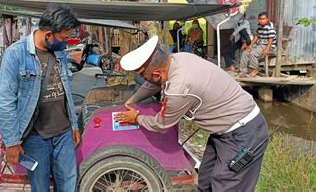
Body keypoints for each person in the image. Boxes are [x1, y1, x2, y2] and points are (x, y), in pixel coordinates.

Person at [115, 35, 269, 192]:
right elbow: (155, 83)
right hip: (223, 131)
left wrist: (137, 118)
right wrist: (133, 100)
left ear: (157, 74)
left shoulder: (179, 89)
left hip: (244, 133)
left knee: (226, 184)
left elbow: (162, 123)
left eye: (143, 75)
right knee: (206, 179)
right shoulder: (177, 59)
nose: (144, 79)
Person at [0, 4, 81, 192]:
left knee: (69, 183)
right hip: (35, 138)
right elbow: (5, 101)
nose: (65, 44)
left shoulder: (58, 52)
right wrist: (11, 142)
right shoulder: (16, 54)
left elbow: (65, 88)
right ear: (48, 34)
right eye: (64, 38)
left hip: (63, 134)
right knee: (40, 186)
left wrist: (74, 125)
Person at [239, 12, 277, 77]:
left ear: (267, 19)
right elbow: (257, 37)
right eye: (259, 19)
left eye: (263, 19)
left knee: (252, 53)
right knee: (246, 52)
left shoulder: (269, 27)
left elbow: (271, 39)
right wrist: (250, 45)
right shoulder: (259, 26)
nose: (261, 20)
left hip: (268, 46)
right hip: (260, 45)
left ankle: (254, 69)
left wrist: (267, 49)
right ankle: (243, 70)